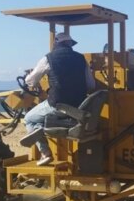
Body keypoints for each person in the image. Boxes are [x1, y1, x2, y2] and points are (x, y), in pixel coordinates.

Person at [22, 32, 95, 166]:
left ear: (56, 43)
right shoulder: (81, 58)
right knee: (39, 121)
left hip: (57, 105)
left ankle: (45, 153)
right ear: (69, 44)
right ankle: (40, 129)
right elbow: (91, 85)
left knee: (29, 119)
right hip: (79, 106)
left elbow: (30, 81)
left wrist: (29, 78)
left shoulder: (48, 59)